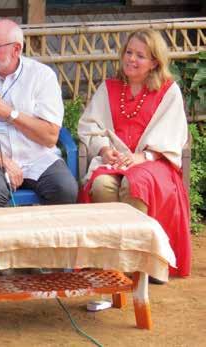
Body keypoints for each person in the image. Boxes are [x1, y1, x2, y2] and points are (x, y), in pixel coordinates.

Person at [78, 29, 190, 280]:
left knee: (135, 183)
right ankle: (112, 263)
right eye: (129, 52)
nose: (131, 59)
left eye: (140, 55)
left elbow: (172, 135)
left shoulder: (168, 91)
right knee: (102, 184)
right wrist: (105, 150)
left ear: (154, 62)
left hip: (153, 163)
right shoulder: (109, 88)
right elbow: (89, 126)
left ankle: (141, 262)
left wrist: (141, 158)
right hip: (114, 161)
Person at [0, 19, 78, 207]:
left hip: (38, 158)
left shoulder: (42, 76)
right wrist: (2, 160)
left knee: (65, 189)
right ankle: (4, 237)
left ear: (16, 49)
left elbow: (50, 137)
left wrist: (10, 114)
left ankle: (41, 236)